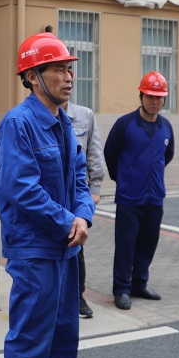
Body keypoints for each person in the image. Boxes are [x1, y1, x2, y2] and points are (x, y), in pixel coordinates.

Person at [0, 32, 97, 358]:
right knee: (31, 334)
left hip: (66, 245)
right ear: (33, 76)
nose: (69, 76)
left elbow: (79, 178)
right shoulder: (18, 124)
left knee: (64, 331)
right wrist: (68, 220)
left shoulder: (64, 123)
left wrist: (84, 215)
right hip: (34, 246)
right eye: (59, 69)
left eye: (70, 69)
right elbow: (21, 187)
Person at [103, 72, 175, 310]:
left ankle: (139, 284)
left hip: (155, 197)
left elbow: (167, 156)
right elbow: (110, 153)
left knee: (148, 243)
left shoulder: (166, 127)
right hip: (129, 198)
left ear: (164, 99)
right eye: (150, 96)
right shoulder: (125, 125)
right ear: (141, 96)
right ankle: (121, 289)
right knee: (126, 245)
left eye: (159, 97)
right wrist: (122, 178)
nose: (154, 101)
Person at [63, 100, 105, 318]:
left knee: (77, 246)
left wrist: (94, 188)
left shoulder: (84, 115)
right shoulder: (26, 118)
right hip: (50, 197)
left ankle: (77, 296)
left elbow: (94, 153)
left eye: (70, 83)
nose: (67, 83)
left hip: (75, 196)